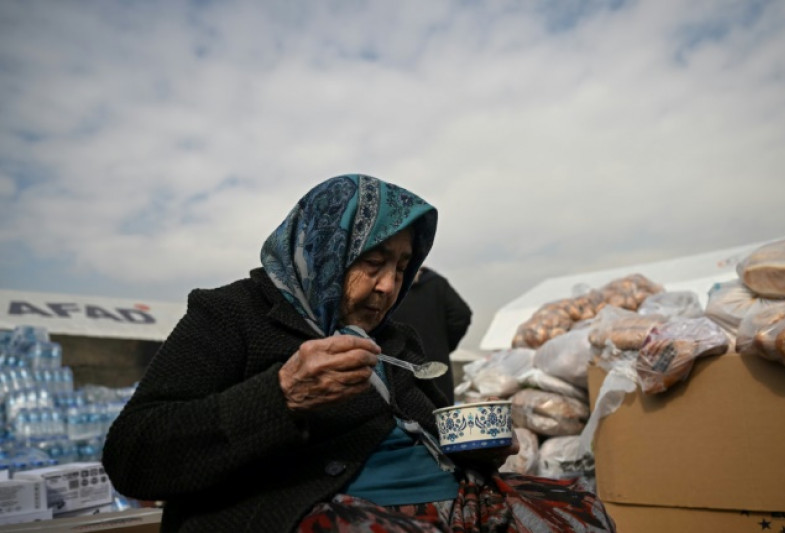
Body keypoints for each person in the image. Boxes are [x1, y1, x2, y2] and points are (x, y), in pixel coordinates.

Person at [101, 174, 616, 533]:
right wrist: (281, 397)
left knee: (580, 511)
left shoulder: (395, 341)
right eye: (372, 263)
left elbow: (426, 430)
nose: (388, 286)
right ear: (324, 249)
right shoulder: (232, 316)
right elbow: (132, 455)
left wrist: (474, 450)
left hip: (449, 501)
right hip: (337, 512)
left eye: (402, 266)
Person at [390, 265, 472, 403]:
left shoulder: (389, 286)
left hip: (399, 367)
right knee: (441, 415)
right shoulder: (436, 283)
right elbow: (461, 315)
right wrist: (442, 346)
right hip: (436, 367)